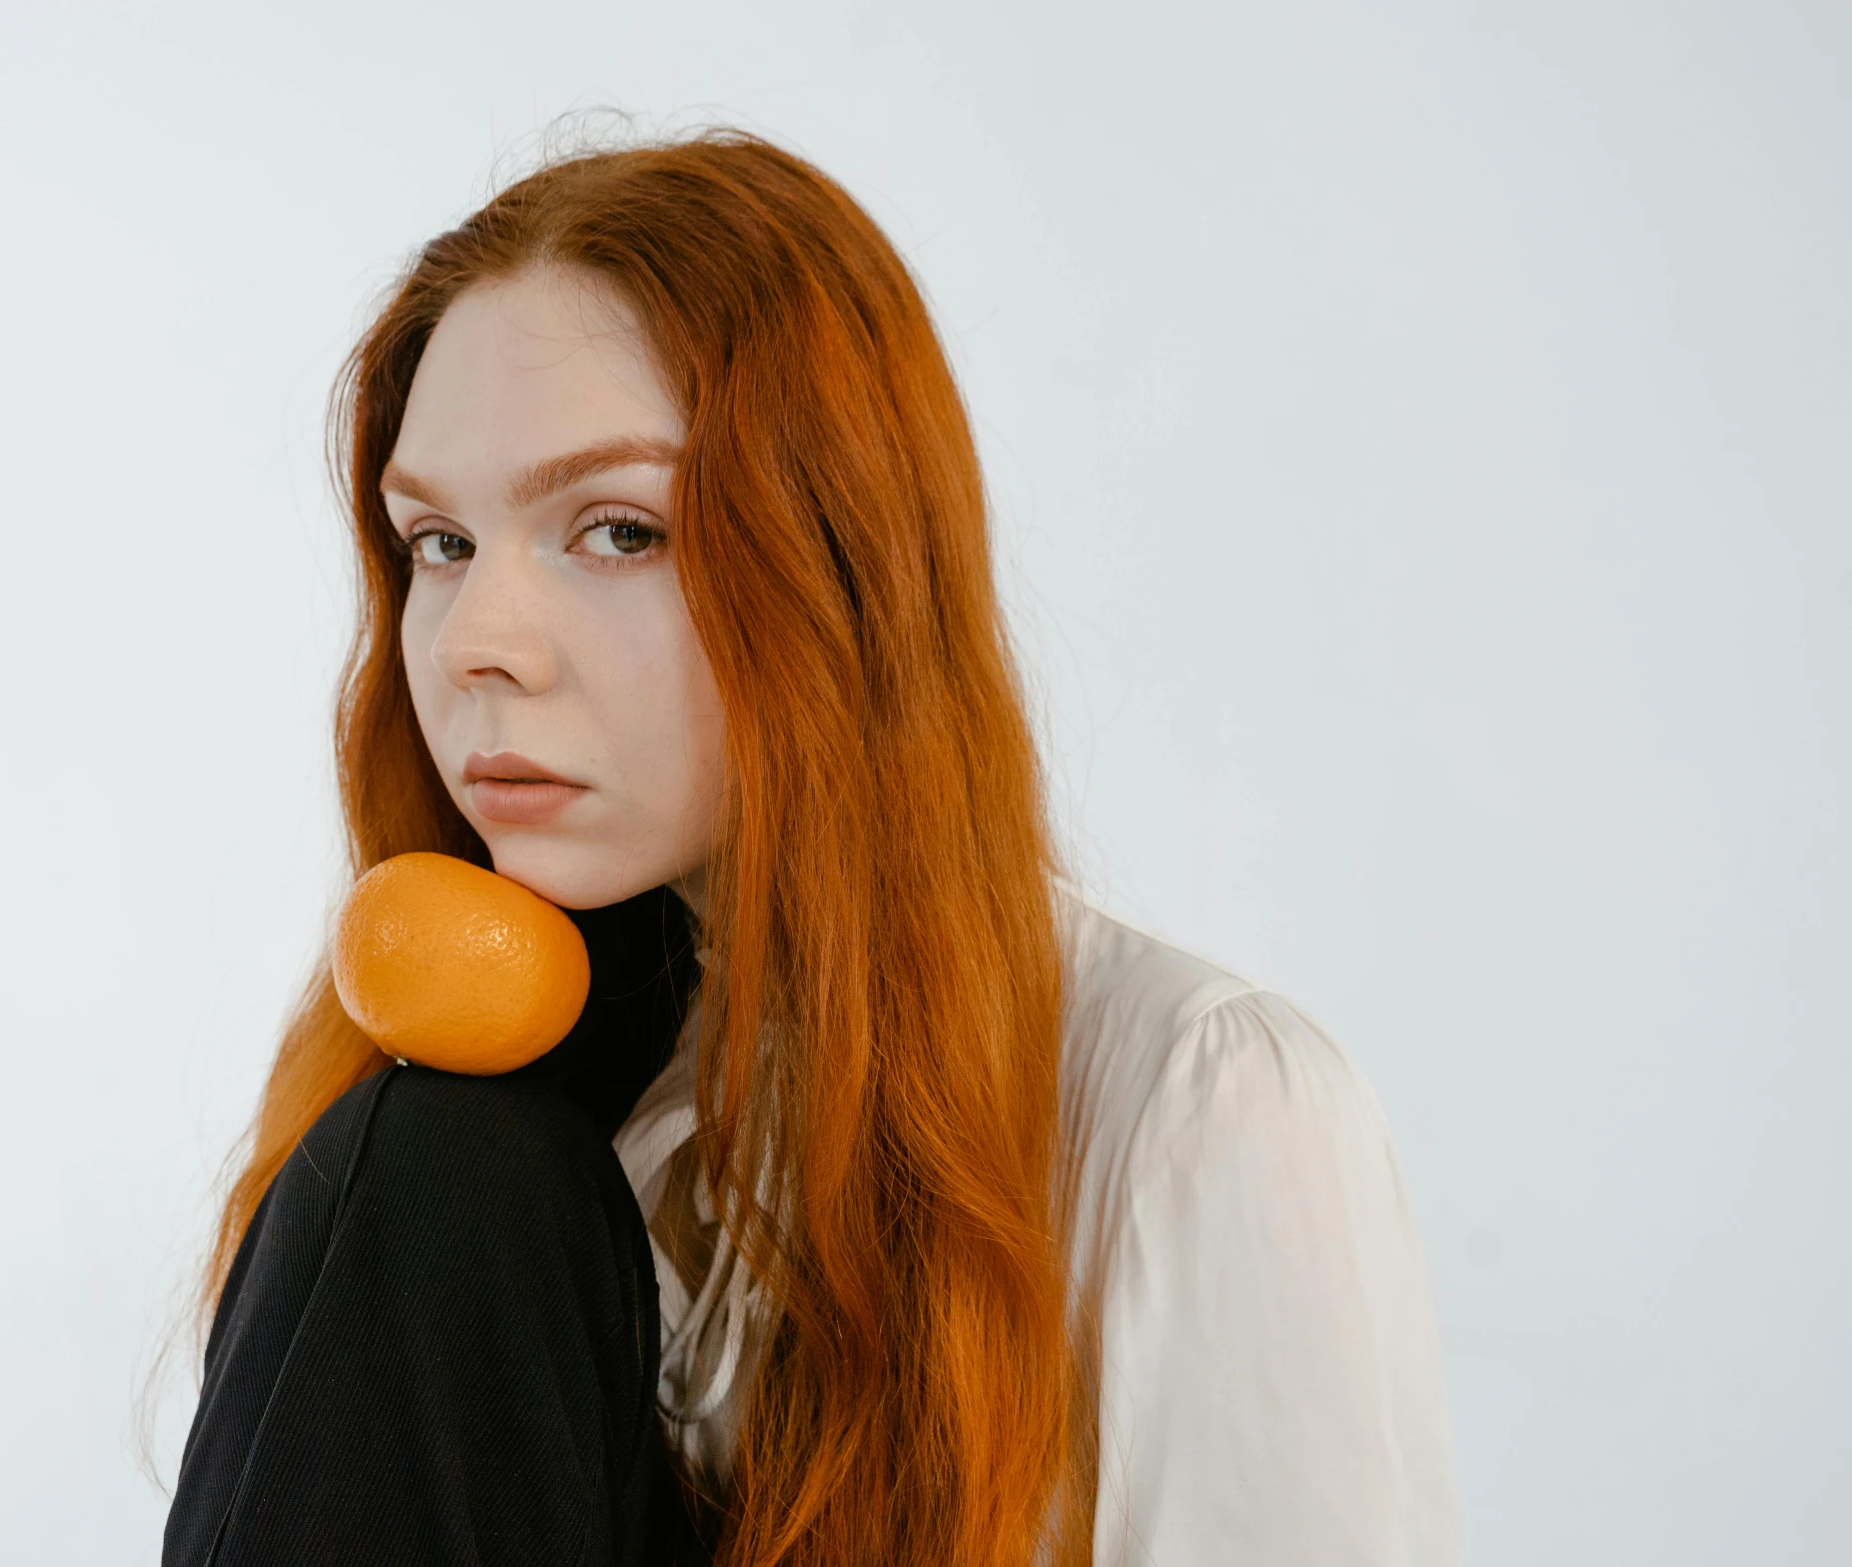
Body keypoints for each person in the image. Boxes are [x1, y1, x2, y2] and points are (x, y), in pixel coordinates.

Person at [163, 130, 1461, 1567]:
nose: (476, 644)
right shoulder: (507, 1128)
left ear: (840, 562)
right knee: (434, 1167)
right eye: (439, 543)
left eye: (615, 530)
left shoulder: (1203, 1107)